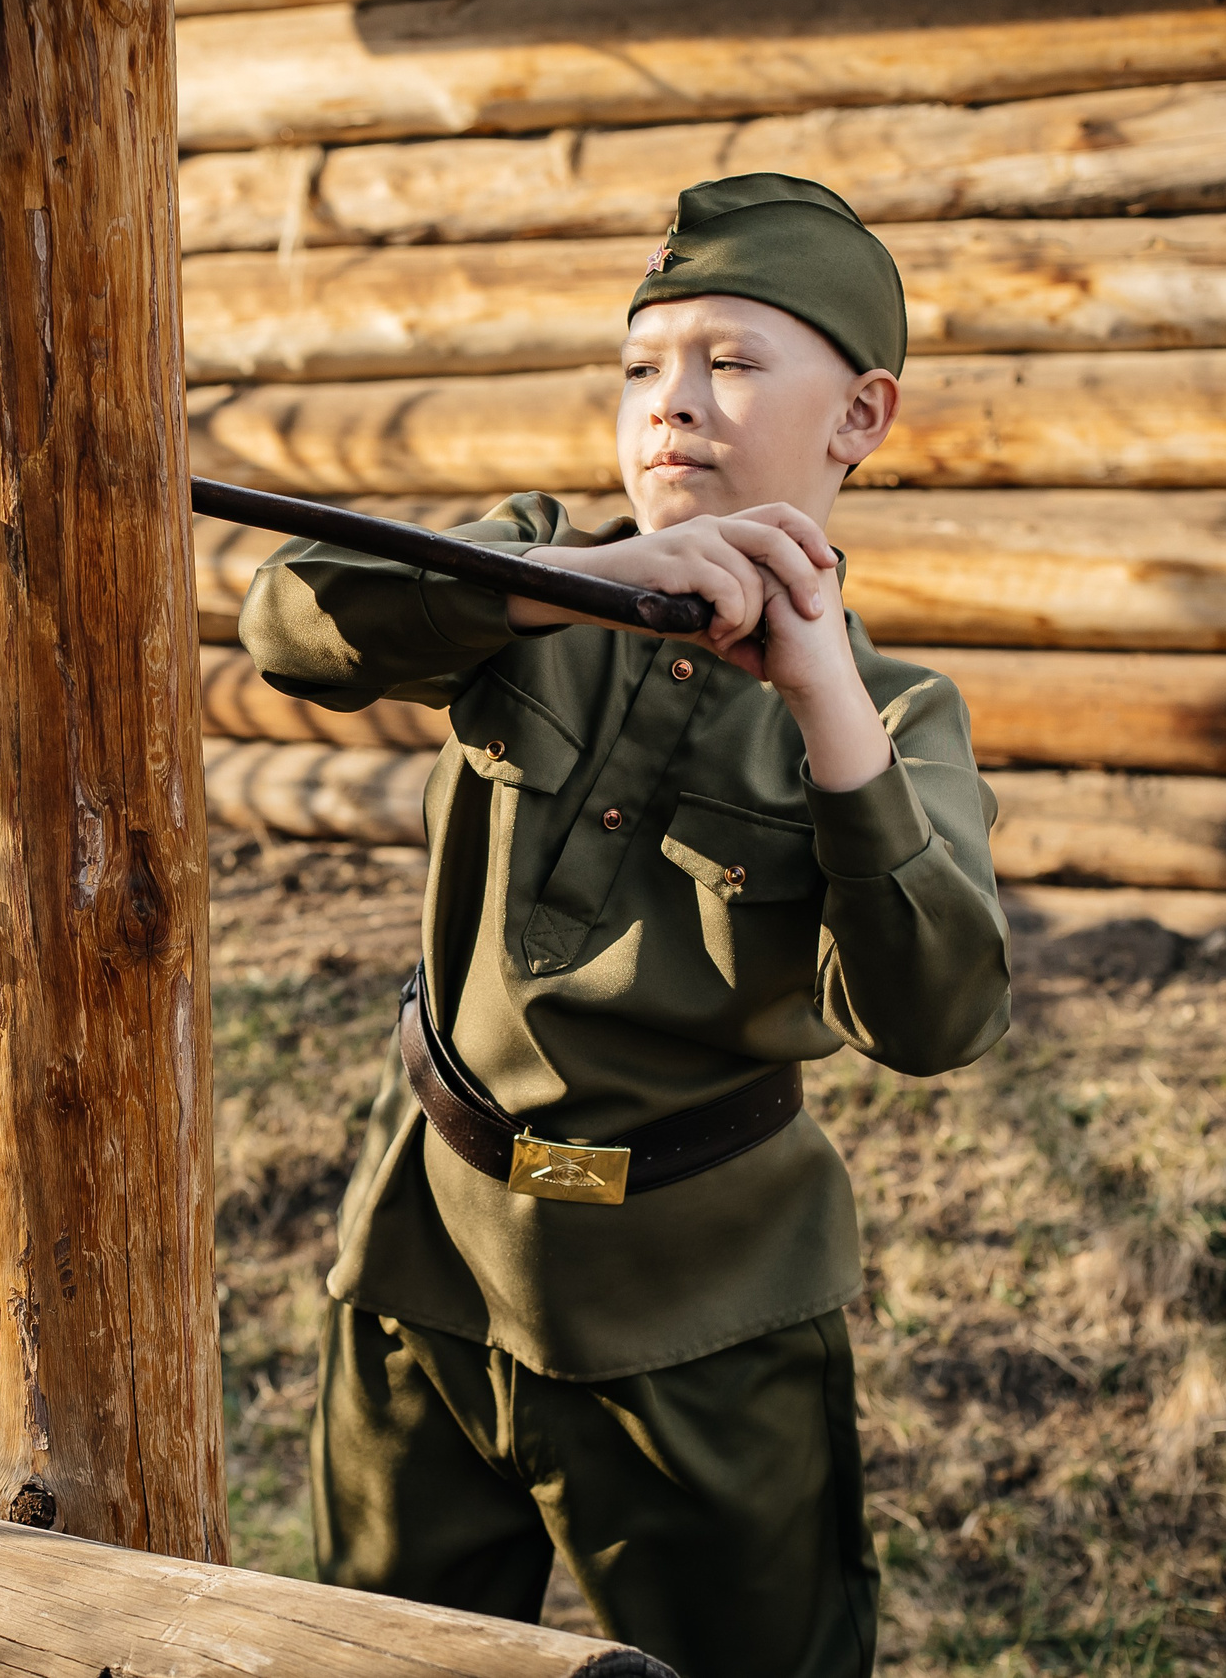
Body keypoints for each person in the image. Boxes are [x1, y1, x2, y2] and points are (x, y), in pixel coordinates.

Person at [235, 174, 1012, 1678]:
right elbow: (290, 620)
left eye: (731, 361)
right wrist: (560, 587)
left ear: (860, 417)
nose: (674, 402)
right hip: (429, 1265)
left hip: (701, 1315)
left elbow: (935, 1018)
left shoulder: (896, 717)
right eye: (641, 367)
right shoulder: (534, 573)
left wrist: (824, 704)